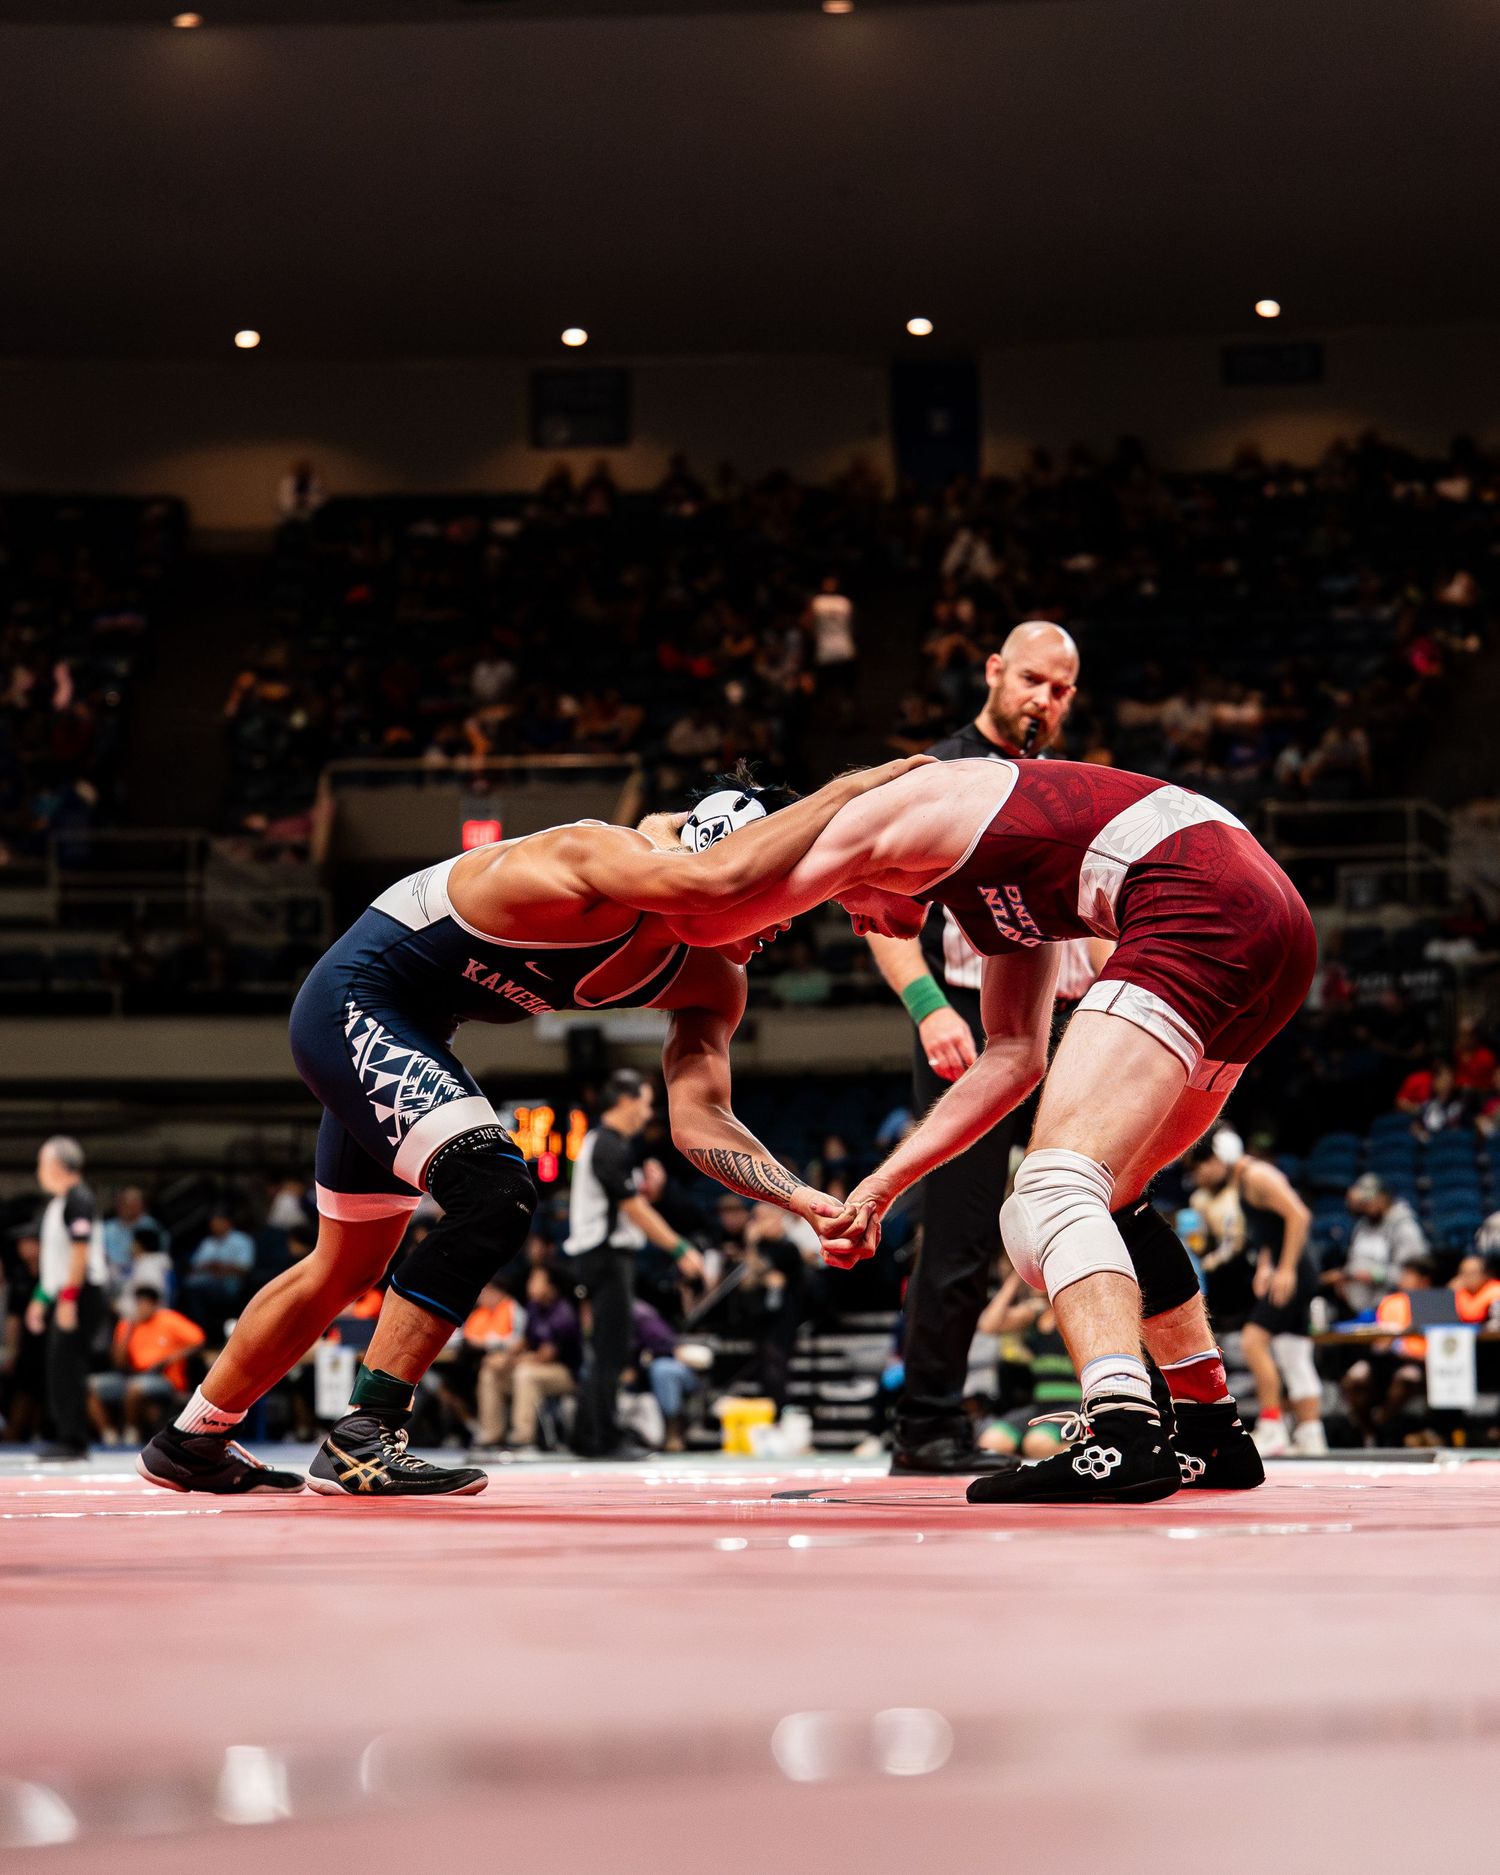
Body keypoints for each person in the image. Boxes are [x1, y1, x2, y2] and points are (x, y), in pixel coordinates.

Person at [137, 755, 923, 1498]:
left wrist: (801, 1197)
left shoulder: (712, 974)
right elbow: (710, 872)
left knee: (342, 1267)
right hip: (354, 998)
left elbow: (700, 1117)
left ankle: (193, 1439)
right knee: (495, 1188)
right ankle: (363, 1434)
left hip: (410, 1026)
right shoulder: (598, 856)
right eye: (773, 897)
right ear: (727, 874)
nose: (777, 926)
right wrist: (863, 787)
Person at [664, 750, 1318, 1503]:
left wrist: (650, 853)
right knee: (1109, 1197)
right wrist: (881, 1186)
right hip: (1271, 917)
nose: (853, 920)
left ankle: (1122, 1431)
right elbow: (1012, 1057)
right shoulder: (972, 882)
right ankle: (1210, 1432)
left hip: (1198, 902)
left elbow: (717, 902)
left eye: (831, 908)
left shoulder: (871, 817)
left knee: (1049, 1190)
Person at [861, 620, 1110, 1475]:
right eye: (1034, 680)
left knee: (1109, 1205)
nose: (1046, 700)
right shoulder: (941, 775)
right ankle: (926, 1423)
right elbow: (883, 916)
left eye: (1063, 689)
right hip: (970, 1012)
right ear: (996, 671)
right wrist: (931, 1006)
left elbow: (1098, 921)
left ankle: (1132, 1404)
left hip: (1076, 1015)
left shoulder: (1071, 786)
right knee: (960, 1233)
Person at [562, 1070, 704, 1458]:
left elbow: (628, 1204)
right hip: (606, 1256)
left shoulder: (603, 1143)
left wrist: (648, 1194)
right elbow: (630, 1207)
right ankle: (602, 1439)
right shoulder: (609, 1145)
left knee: (607, 1350)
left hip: (600, 1255)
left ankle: (587, 1436)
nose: (648, 1113)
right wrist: (679, 1249)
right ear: (624, 1100)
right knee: (612, 1351)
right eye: (644, 1102)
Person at [1187, 1131, 1327, 1458]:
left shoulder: (1257, 1176)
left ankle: (1272, 1426)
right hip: (1287, 1266)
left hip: (1296, 1270)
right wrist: (1267, 1265)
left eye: (1203, 1166)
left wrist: (1287, 1269)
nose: (1200, 1176)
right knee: (1293, 1351)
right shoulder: (1244, 1180)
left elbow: (1298, 1216)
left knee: (1253, 1340)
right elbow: (1271, 1229)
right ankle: (1310, 1435)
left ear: (1220, 1159)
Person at [26, 1138, 110, 1461]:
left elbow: (80, 1252)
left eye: (41, 1164)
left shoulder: (79, 1198)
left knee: (69, 1365)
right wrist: (40, 1299)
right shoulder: (59, 1204)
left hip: (81, 1293)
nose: (38, 1172)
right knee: (58, 1366)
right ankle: (67, 1434)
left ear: (57, 1165)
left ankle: (74, 1439)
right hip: (65, 1292)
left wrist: (69, 1298)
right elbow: (56, 1264)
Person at [90, 1289, 204, 1445]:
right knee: (90, 1386)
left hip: (164, 1377)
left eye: (146, 1303)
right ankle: (108, 1434)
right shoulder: (127, 1324)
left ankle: (131, 1432)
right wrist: (128, 1331)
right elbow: (118, 1363)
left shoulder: (168, 1319)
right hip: (131, 1375)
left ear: (155, 1305)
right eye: (139, 1303)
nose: (142, 1308)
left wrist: (172, 1358)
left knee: (135, 1388)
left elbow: (199, 1341)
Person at [1338, 1174, 1429, 1314]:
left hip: (1392, 1311)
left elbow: (1410, 1277)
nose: (1366, 1205)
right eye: (1363, 1201)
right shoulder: (1361, 1226)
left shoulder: (1404, 1226)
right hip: (1358, 1311)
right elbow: (1354, 1264)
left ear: (1383, 1197)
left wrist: (1374, 1274)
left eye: (1369, 1200)